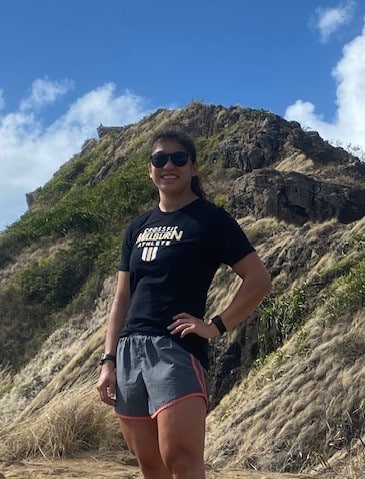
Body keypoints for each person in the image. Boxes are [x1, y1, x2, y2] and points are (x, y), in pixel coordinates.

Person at [97, 128, 271, 479]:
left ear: (194, 167)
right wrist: (108, 360)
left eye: (178, 158)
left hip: (175, 349)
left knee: (180, 458)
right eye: (160, 159)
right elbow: (122, 298)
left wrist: (216, 326)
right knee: (150, 465)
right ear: (150, 170)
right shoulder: (137, 227)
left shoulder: (210, 219)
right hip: (130, 352)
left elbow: (258, 280)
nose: (168, 165)